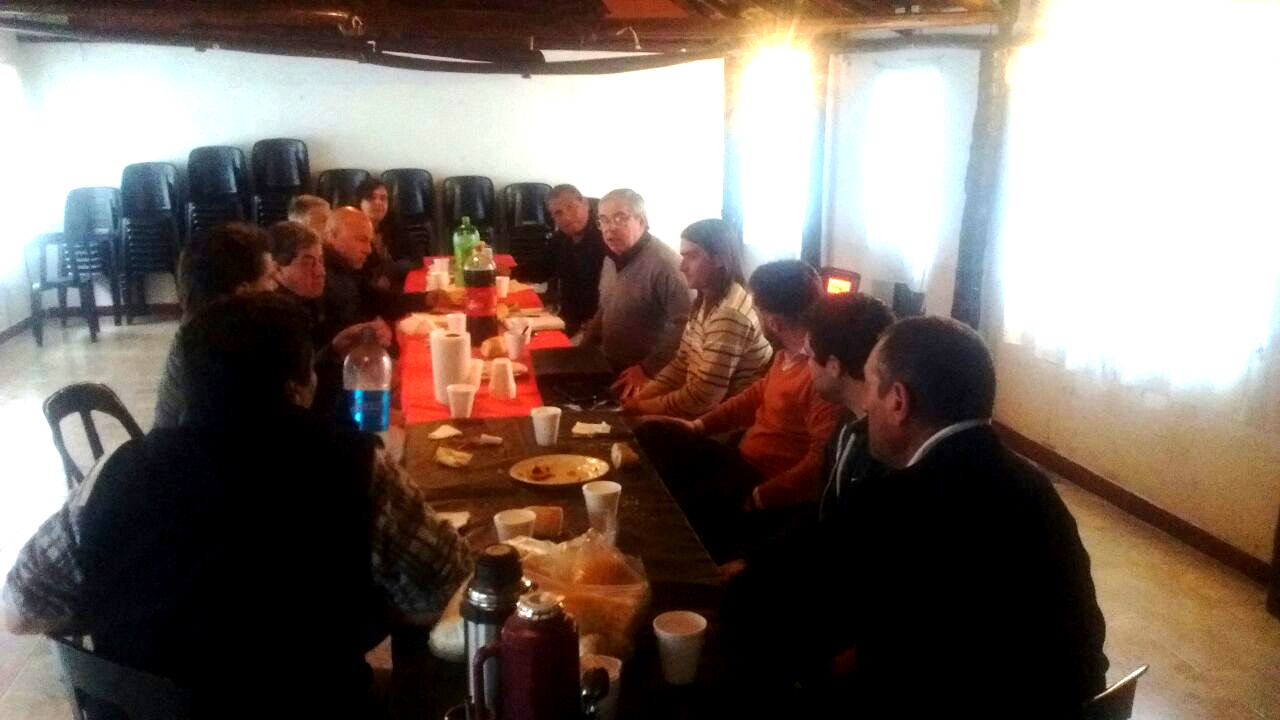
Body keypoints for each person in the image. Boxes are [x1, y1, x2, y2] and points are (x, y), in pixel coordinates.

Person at [3, 293, 473, 718]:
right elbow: (445, 588)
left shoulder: (117, 472)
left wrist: (137, 603)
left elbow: (19, 610)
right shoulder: (355, 464)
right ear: (299, 385)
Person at [813, 316, 1107, 715]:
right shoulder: (1033, 482)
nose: (865, 406)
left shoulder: (902, 499)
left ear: (898, 401)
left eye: (869, 385)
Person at [719, 293, 895, 710]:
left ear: (833, 366)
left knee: (748, 610)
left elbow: (874, 563)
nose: (804, 363)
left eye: (810, 355)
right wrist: (754, 560)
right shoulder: (848, 423)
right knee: (738, 586)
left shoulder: (887, 451)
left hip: (850, 596)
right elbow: (823, 512)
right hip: (829, 560)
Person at [636, 260, 840, 561]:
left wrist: (758, 498)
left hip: (764, 483)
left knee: (679, 505)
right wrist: (699, 426)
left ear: (773, 322)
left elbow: (818, 464)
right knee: (653, 435)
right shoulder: (786, 353)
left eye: (757, 309)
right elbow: (755, 396)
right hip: (743, 461)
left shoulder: (819, 377)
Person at [622, 218, 771, 418]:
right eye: (683, 256)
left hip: (723, 423)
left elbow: (703, 397)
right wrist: (641, 398)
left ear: (719, 259)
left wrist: (642, 408)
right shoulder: (705, 300)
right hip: (701, 414)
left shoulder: (730, 315)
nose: (682, 266)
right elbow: (682, 363)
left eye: (692, 256)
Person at [153, 223, 278, 429]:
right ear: (244, 292)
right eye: (270, 278)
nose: (276, 286)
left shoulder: (198, 331)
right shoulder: (227, 356)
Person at [579, 188, 691, 393]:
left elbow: (687, 325)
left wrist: (647, 369)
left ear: (642, 221)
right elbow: (606, 306)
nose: (610, 228)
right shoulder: (613, 256)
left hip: (649, 375)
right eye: (603, 220)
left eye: (619, 218)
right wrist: (582, 350)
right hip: (611, 363)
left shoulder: (666, 266)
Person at [321, 206, 431, 347]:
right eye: (361, 240)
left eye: (370, 242)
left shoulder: (346, 267)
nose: (368, 250)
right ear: (332, 236)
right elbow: (346, 334)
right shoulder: (325, 276)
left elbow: (376, 299)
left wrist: (426, 299)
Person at [545, 184, 608, 337]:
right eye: (558, 213)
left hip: (601, 323)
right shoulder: (560, 237)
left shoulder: (607, 238)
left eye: (571, 207)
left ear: (585, 204)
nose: (566, 217)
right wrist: (509, 272)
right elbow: (543, 267)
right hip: (570, 316)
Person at [357, 177, 421, 287]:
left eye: (383, 198)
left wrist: (388, 273)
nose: (378, 202)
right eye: (371, 198)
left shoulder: (394, 223)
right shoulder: (352, 230)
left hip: (396, 286)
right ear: (359, 203)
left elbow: (417, 258)